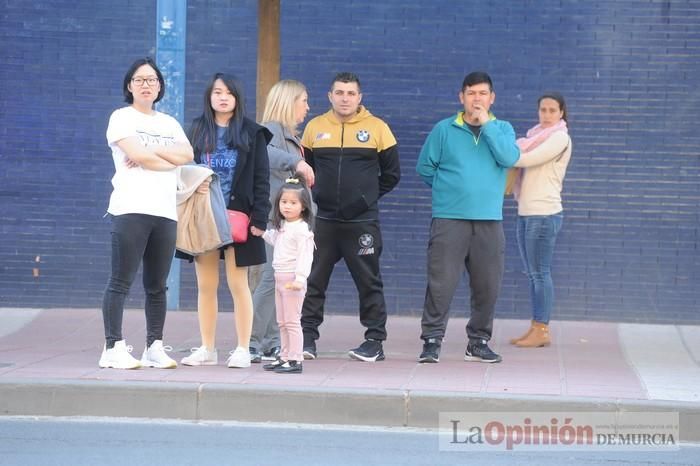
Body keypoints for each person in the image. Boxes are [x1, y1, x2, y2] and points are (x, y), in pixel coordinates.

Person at [416, 71, 519, 364]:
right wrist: (448, 192)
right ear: (461, 97)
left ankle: (478, 342)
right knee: (441, 282)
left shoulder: (502, 128)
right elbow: (425, 167)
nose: (477, 99)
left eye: (482, 93)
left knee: (488, 284)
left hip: (489, 220)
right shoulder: (444, 129)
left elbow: (509, 159)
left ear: (492, 98)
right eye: (471, 93)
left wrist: (487, 125)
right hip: (449, 219)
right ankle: (432, 340)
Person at [99, 57, 194, 369]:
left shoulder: (169, 123)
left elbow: (187, 155)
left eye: (152, 80)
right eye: (139, 80)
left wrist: (150, 153)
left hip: (165, 211)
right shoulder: (121, 117)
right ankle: (113, 347)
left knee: (157, 284)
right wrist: (159, 156)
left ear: (159, 86)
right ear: (130, 85)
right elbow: (140, 155)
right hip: (131, 208)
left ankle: (154, 346)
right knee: (121, 281)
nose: (146, 85)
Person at [300, 72, 400, 362]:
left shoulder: (378, 128)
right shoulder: (314, 128)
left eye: (351, 93)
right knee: (313, 279)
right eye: (340, 92)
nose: (345, 98)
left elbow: (392, 175)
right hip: (325, 222)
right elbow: (307, 172)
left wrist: (365, 201)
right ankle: (306, 339)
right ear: (330, 96)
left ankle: (374, 341)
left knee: (369, 281)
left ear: (360, 98)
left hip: (361, 223)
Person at [178, 73, 271, 368]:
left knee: (238, 284)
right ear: (209, 96)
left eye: (228, 93)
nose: (222, 97)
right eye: (217, 92)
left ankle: (243, 348)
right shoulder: (194, 130)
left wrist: (260, 218)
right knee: (206, 285)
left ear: (237, 98)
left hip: (238, 217)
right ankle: (207, 347)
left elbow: (261, 178)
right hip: (204, 217)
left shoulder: (251, 132)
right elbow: (179, 167)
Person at [249, 80, 314, 364]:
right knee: (270, 279)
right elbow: (262, 153)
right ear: (289, 102)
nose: (308, 107)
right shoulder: (271, 131)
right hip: (276, 221)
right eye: (304, 100)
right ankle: (250, 340)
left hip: (288, 223)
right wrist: (296, 162)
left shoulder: (289, 135)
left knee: (280, 280)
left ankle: (272, 341)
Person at [508, 92, 572, 348]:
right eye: (543, 110)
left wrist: (503, 150)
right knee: (533, 274)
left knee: (540, 273)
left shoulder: (560, 138)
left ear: (561, 113)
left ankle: (542, 328)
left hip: (544, 213)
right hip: (526, 212)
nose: (546, 115)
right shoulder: (533, 137)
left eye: (552, 111)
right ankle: (536, 326)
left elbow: (526, 159)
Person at [261, 175, 315, 374]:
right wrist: (263, 234)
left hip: (293, 280)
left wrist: (300, 279)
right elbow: (277, 241)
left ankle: (295, 359)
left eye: (293, 203)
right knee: (282, 321)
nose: (287, 206)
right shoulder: (284, 226)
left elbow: (305, 256)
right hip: (279, 277)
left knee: (292, 321)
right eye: (284, 202)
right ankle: (284, 356)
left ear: (303, 206)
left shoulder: (302, 230)